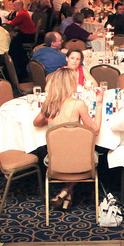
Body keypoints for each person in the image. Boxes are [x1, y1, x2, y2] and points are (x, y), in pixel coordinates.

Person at [33, 67, 103, 210]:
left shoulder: (49, 104)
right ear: (69, 84)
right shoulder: (78, 104)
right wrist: (99, 104)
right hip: (81, 161)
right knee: (82, 156)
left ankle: (66, 193)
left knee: (69, 157)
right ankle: (66, 191)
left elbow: (36, 123)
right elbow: (95, 130)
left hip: (55, 160)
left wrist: (51, 121)